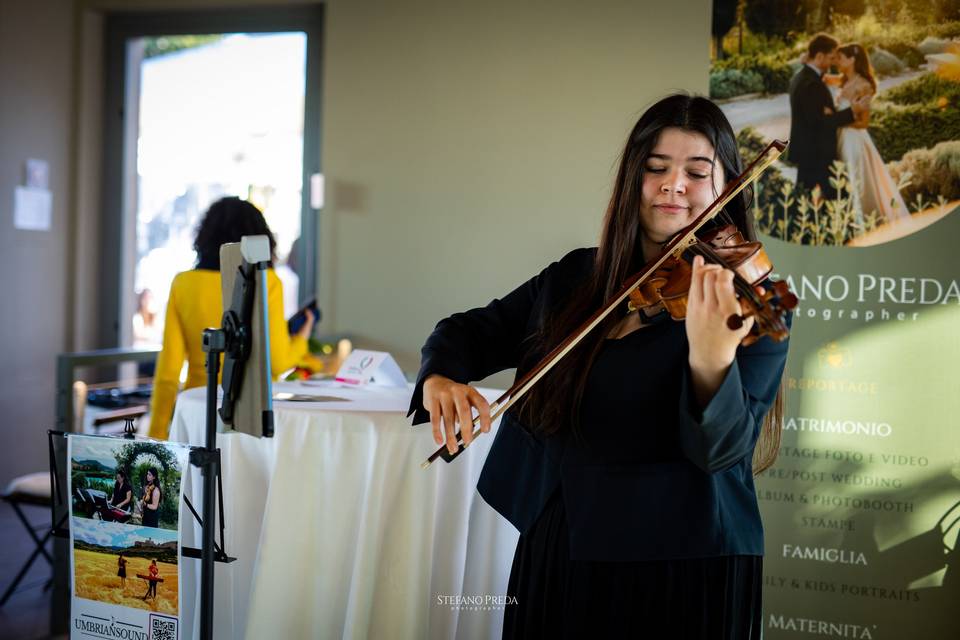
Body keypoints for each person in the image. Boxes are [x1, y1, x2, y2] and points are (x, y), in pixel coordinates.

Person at [408, 94, 790, 638]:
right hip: (563, 543)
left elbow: (721, 452)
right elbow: (469, 331)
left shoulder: (757, 300)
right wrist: (439, 377)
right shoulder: (574, 278)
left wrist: (711, 363)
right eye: (655, 168)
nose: (673, 185)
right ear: (631, 179)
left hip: (680, 558)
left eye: (696, 173)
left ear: (726, 184)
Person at [148, 197, 316, 439]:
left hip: (198, 413)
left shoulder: (183, 284)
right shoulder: (267, 281)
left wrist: (156, 435)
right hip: (249, 416)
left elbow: (168, 373)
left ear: (204, 237)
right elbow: (278, 362)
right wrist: (301, 339)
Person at [835, 43, 909, 228]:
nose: (837, 61)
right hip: (841, 137)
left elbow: (864, 123)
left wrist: (837, 121)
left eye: (840, 58)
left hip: (853, 140)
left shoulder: (863, 85)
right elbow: (822, 78)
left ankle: (865, 222)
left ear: (851, 60)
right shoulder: (843, 80)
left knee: (857, 179)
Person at [788, 33, 867, 197]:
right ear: (819, 56)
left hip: (810, 150)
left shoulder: (802, 76)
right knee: (827, 197)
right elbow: (820, 123)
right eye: (831, 58)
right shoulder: (811, 84)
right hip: (816, 152)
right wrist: (852, 112)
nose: (834, 62)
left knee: (808, 197)